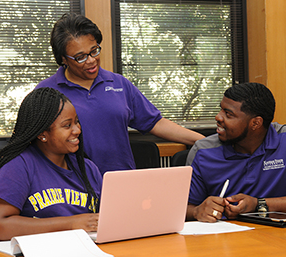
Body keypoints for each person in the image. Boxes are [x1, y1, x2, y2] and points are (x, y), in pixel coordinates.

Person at [35, 13, 204, 175]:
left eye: (94, 50)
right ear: (63, 59)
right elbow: (34, 143)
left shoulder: (118, 84)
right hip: (73, 187)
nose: (91, 60)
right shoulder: (47, 93)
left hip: (120, 181)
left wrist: (203, 141)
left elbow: (155, 123)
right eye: (80, 57)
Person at [185, 82, 286, 222]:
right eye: (221, 109)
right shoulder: (203, 151)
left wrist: (259, 205)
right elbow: (183, 209)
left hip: (280, 237)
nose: (218, 117)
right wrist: (198, 211)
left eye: (228, 114)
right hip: (223, 240)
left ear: (256, 123)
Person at [0, 87, 102, 242]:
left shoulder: (88, 168)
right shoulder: (17, 166)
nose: (77, 130)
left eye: (76, 122)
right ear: (42, 134)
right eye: (67, 125)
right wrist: (71, 224)